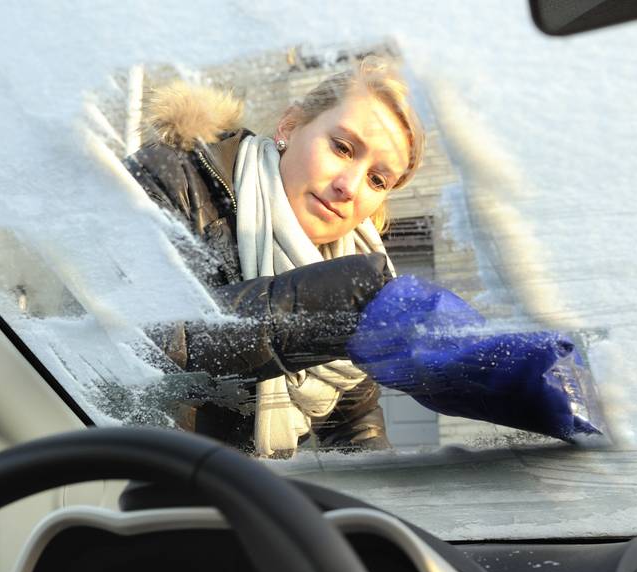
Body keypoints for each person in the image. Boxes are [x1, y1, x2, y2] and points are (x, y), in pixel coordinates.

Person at [124, 56, 426, 458]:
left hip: (243, 499)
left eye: (377, 179)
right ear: (289, 126)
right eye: (342, 147)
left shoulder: (353, 257)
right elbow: (136, 344)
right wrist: (308, 308)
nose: (349, 187)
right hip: (133, 471)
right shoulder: (173, 176)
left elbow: (357, 425)